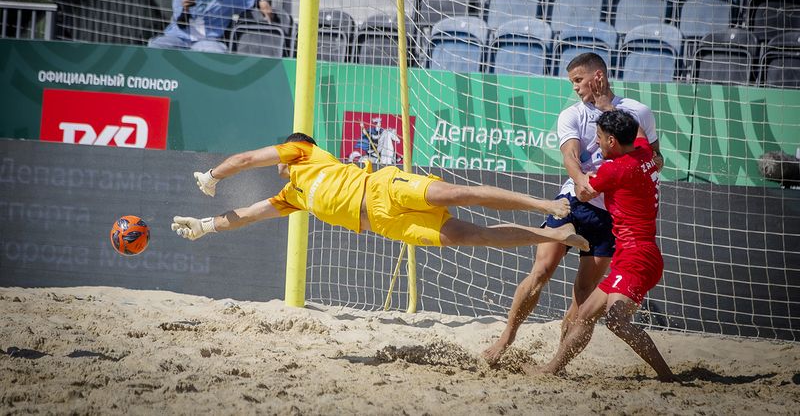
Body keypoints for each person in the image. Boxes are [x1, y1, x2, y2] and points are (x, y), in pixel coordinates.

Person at [483, 52, 662, 366]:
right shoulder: (572, 114)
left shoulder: (638, 112)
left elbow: (655, 157)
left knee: (583, 295)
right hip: (573, 202)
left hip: (609, 216)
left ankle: (556, 364)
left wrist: (631, 176)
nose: (576, 88)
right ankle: (506, 337)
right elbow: (570, 155)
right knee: (540, 271)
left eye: (578, 80)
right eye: (572, 83)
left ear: (598, 77)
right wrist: (581, 181)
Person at [171, 132, 590, 251]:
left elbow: (244, 159)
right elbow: (245, 214)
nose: (275, 162)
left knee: (462, 193)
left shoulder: (303, 152)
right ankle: (552, 234)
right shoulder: (292, 196)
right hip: (386, 224)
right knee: (473, 236)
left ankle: (545, 204)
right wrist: (206, 225)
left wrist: (212, 176)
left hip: (385, 187)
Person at [534, 109, 674, 382]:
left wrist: (573, 162)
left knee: (616, 321)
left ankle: (668, 376)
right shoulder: (644, 153)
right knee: (585, 313)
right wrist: (608, 104)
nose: (595, 143)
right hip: (633, 254)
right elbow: (641, 131)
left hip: (637, 259)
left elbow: (583, 190)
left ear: (612, 141)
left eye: (598, 137)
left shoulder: (615, 170)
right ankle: (552, 369)